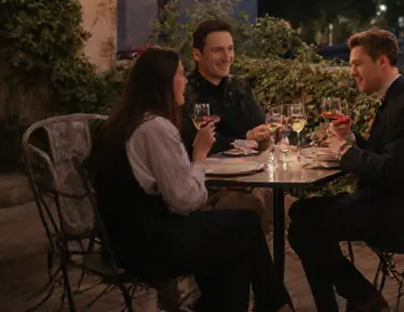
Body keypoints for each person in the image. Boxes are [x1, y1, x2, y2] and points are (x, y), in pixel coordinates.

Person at [85, 47, 290, 312]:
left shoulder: (124, 122)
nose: (184, 81)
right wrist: (200, 154)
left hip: (120, 241)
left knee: (231, 247)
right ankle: (274, 304)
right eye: (180, 75)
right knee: (246, 225)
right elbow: (186, 200)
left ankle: (259, 305)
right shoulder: (155, 128)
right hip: (147, 245)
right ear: (163, 83)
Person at [288, 29, 404, 312]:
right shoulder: (396, 97)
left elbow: (389, 171)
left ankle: (363, 297)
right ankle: (358, 298)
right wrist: (352, 140)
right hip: (390, 203)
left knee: (306, 226)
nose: (352, 72)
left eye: (358, 64)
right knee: (301, 213)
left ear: (382, 61)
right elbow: (385, 155)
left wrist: (342, 151)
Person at [179, 19, 275, 232]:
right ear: (197, 55)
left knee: (290, 207)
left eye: (230, 49)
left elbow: (261, 128)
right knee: (251, 207)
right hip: (209, 188)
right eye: (217, 50)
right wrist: (245, 140)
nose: (227, 57)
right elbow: (197, 143)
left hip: (251, 180)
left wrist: (265, 135)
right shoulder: (186, 94)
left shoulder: (239, 87)